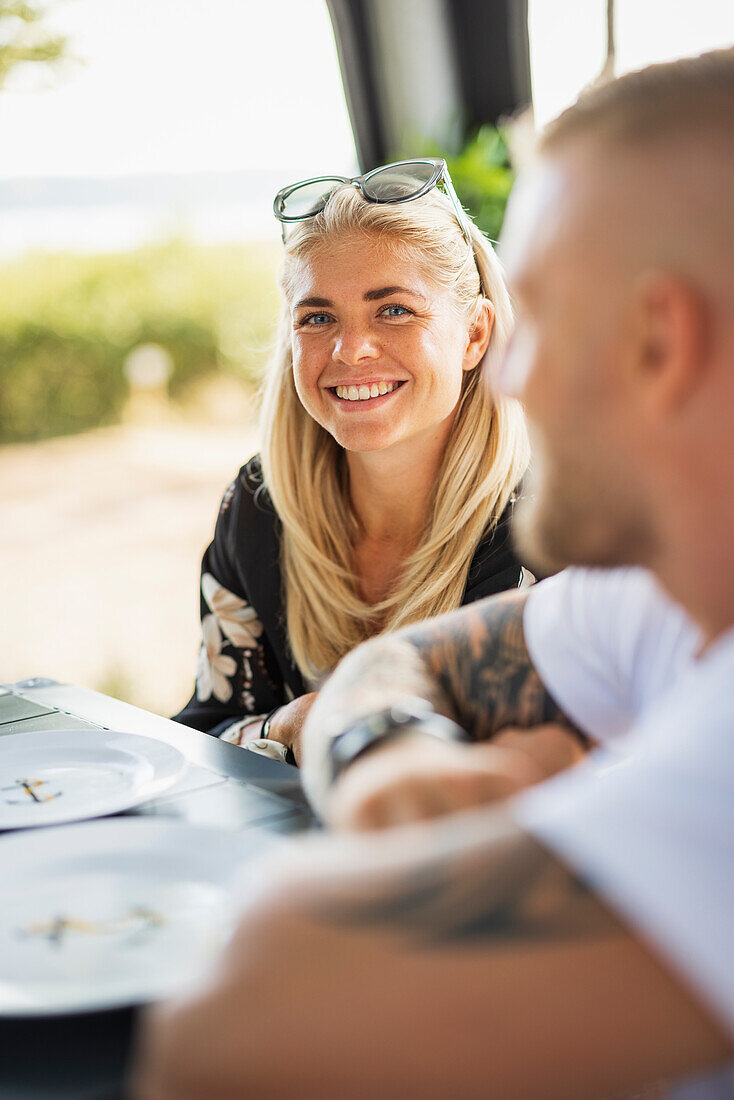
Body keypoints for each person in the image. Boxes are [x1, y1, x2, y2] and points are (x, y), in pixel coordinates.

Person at [135, 49, 734, 1100]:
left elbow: (237, 1020)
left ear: (662, 338)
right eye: (316, 315)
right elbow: (399, 670)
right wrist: (387, 751)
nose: (509, 373)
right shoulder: (642, 598)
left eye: (539, 312)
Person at [173, 160, 530, 759]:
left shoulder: (544, 526)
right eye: (318, 318)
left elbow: (532, 770)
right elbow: (203, 730)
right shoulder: (259, 505)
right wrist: (282, 728)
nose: (349, 349)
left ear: (473, 336)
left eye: (393, 309)